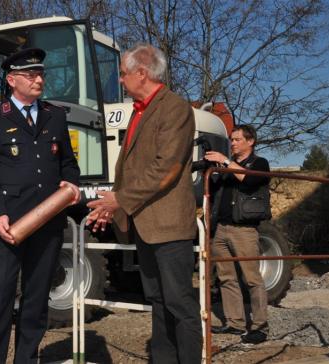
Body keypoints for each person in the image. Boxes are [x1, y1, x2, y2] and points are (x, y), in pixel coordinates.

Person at [86, 43, 202, 364]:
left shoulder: (174, 108)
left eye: (123, 74)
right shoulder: (140, 111)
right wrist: (111, 208)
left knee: (180, 303)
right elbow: (131, 171)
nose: (120, 81)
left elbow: (167, 170)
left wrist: (119, 200)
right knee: (158, 301)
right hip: (145, 225)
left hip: (168, 227)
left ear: (142, 73)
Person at [0, 48, 80, 364]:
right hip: (10, 224)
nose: (39, 79)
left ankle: (26, 359)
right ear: (11, 79)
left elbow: (69, 164)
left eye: (41, 74)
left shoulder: (55, 115)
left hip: (48, 223)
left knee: (36, 300)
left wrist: (71, 184)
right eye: (31, 74)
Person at [204, 124, 270, 344]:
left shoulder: (259, 163)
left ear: (250, 141)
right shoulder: (226, 166)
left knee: (252, 279)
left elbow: (251, 181)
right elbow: (213, 192)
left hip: (244, 230)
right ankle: (235, 323)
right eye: (231, 139)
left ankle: (260, 327)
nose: (232, 143)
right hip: (221, 229)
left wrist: (224, 162)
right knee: (226, 278)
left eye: (237, 139)